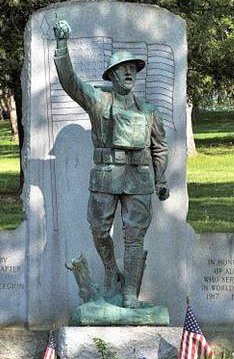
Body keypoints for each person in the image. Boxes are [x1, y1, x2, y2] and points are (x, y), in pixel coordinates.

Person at [52, 20, 170, 308]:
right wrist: (62, 45)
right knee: (99, 230)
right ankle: (109, 269)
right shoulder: (99, 101)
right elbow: (71, 82)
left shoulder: (150, 111)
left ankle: (130, 293)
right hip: (106, 176)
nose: (130, 72)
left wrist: (161, 179)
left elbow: (160, 147)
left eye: (134, 69)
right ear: (112, 75)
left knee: (134, 236)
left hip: (139, 178)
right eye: (124, 68)